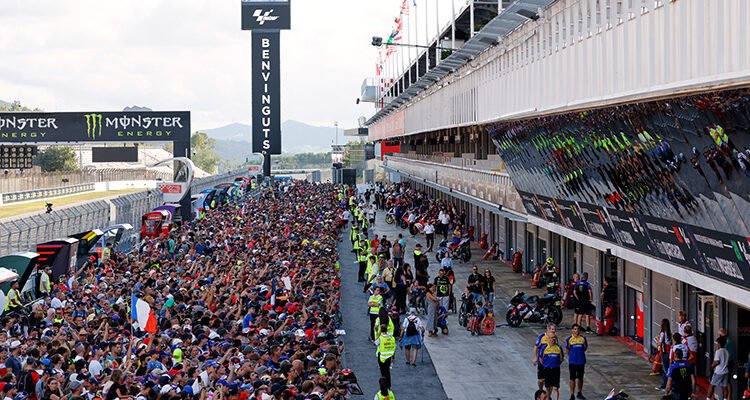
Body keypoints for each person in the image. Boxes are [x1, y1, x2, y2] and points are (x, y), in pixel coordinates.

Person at [565, 324, 588, 400]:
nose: (576, 330)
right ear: (572, 330)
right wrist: (572, 357)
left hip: (581, 362)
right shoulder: (569, 339)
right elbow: (567, 351)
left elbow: (585, 348)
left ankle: (579, 392)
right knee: (572, 378)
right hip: (573, 362)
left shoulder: (583, 338)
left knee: (580, 378)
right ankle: (572, 394)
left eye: (577, 329)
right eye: (574, 329)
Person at [535, 324, 558, 391]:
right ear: (548, 329)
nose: (554, 331)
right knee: (541, 380)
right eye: (552, 329)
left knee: (549, 382)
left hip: (550, 363)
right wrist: (535, 357)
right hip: (542, 362)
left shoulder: (555, 337)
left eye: (555, 329)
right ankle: (541, 390)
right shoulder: (542, 337)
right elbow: (536, 347)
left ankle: (548, 396)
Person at [540, 336, 564, 400]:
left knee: (555, 388)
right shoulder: (544, 348)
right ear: (548, 339)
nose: (553, 340)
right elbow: (541, 358)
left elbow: (561, 359)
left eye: (554, 339)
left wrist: (556, 364)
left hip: (556, 369)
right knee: (548, 387)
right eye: (551, 338)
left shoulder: (559, 348)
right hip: (547, 369)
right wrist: (546, 365)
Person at [707, 336, 729, 400]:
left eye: (717, 343)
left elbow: (717, 362)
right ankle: (725, 399)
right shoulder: (726, 351)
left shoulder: (718, 351)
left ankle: (708, 398)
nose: (716, 345)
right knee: (725, 387)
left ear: (719, 343)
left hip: (719, 372)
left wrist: (712, 366)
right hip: (726, 371)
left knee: (712, 385)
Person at [375, 323, 396, 389]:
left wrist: (378, 334)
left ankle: (384, 385)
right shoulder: (392, 338)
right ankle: (388, 386)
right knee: (387, 372)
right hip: (389, 357)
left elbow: (375, 343)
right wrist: (393, 357)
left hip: (382, 357)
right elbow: (394, 347)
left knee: (383, 372)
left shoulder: (380, 338)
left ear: (381, 330)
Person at [654, 318, 673, 390]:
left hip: (664, 353)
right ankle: (667, 385)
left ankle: (665, 385)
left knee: (665, 370)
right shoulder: (669, 333)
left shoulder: (662, 333)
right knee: (668, 369)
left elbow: (659, 343)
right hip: (669, 353)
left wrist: (657, 339)